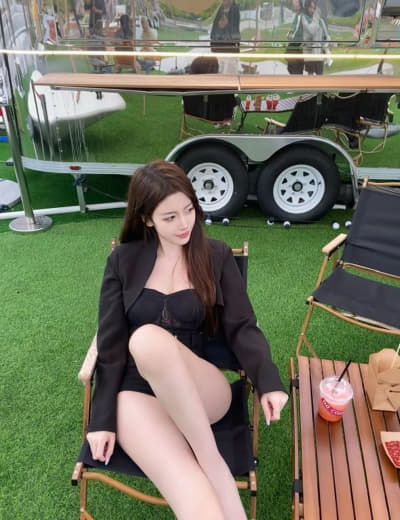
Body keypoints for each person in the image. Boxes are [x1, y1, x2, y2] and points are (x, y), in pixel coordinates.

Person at [86, 160, 289, 520]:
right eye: (170, 217)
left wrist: (268, 381)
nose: (184, 224)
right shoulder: (122, 261)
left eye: (189, 210)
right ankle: (215, 475)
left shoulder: (215, 256)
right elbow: (112, 344)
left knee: (147, 339)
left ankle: (210, 457)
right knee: (196, 501)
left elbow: (242, 325)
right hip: (139, 393)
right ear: (147, 219)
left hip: (200, 387)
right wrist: (101, 419)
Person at [288, 0, 330, 75]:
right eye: (311, 7)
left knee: (319, 75)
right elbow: (295, 34)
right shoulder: (302, 18)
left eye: (314, 8)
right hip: (308, 53)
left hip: (318, 54)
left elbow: (325, 37)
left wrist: (324, 47)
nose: (312, 10)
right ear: (307, 7)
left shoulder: (320, 21)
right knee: (309, 75)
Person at [211, 0, 240, 74]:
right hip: (219, 47)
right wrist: (220, 26)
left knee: (230, 73)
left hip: (231, 48)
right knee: (219, 72)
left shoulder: (235, 8)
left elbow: (235, 29)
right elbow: (215, 28)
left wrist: (226, 24)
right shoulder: (219, 8)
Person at [286, 0, 305, 75]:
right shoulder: (296, 15)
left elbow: (293, 31)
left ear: (300, 5)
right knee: (293, 69)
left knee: (295, 70)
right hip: (295, 47)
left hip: (297, 47)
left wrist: (289, 35)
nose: (294, 3)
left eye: (296, 2)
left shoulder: (300, 16)